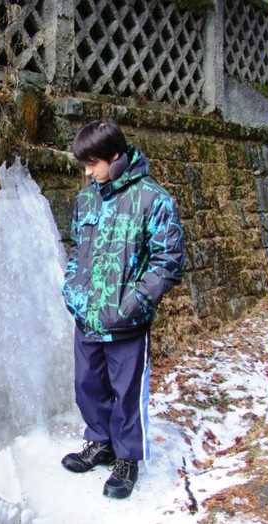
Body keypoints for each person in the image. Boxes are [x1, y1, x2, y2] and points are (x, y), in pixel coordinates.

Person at [61, 118, 185, 499]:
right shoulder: (86, 198)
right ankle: (100, 441)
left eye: (93, 163)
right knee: (88, 386)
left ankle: (127, 457)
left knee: (127, 392)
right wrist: (72, 290)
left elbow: (168, 261)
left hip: (126, 320)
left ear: (115, 156)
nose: (87, 171)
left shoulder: (153, 199)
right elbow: (75, 249)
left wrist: (133, 304)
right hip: (87, 315)